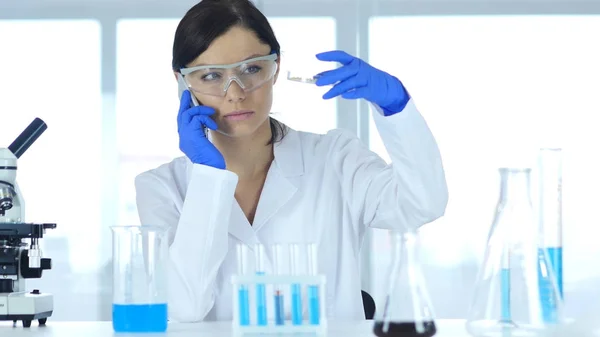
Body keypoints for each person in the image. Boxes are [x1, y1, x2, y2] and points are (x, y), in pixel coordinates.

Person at [134, 0, 448, 323]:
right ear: (182, 81)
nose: (235, 92)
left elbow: (423, 202)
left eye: (251, 69)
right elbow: (183, 307)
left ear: (276, 67)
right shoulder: (160, 189)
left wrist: (397, 107)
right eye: (212, 75)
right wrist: (207, 177)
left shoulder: (335, 160)